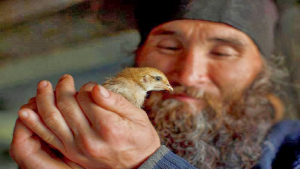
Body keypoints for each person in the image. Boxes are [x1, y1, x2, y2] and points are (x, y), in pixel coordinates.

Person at [10, 0, 300, 168]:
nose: (187, 75)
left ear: (264, 72)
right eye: (170, 48)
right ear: (139, 57)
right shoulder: (78, 149)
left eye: (222, 53)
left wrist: (147, 162)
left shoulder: (294, 149)